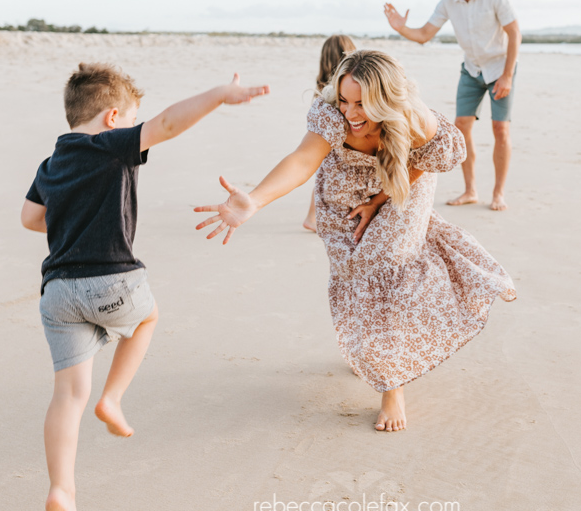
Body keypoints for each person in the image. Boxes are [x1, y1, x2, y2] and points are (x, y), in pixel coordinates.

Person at [194, 50, 515, 432]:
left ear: (388, 100)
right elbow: (301, 161)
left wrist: (381, 198)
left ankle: (391, 384)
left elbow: (435, 155)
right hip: (342, 194)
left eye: (362, 103)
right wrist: (256, 200)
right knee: (353, 270)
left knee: (387, 268)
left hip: (402, 188)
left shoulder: (415, 117)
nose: (351, 112)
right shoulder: (330, 115)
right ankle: (370, 347)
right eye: (345, 100)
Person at [20, 62, 269, 511]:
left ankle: (61, 493)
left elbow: (31, 218)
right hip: (113, 280)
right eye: (133, 119)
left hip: (58, 294)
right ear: (115, 118)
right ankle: (113, 399)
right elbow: (169, 123)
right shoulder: (111, 146)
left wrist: (70, 217)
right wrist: (221, 94)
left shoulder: (51, 164)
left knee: (67, 396)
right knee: (147, 318)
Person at [383, 0, 520, 211]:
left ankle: (498, 194)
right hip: (472, 69)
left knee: (500, 130)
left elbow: (515, 33)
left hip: (501, 67)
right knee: (461, 126)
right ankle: (470, 190)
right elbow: (424, 34)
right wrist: (401, 28)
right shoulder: (447, 0)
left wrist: (508, 76)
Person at [304, 34, 357, 232]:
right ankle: (312, 217)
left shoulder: (321, 86)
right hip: (338, 142)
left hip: (321, 138)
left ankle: (313, 216)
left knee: (322, 176)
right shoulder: (345, 86)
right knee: (327, 177)